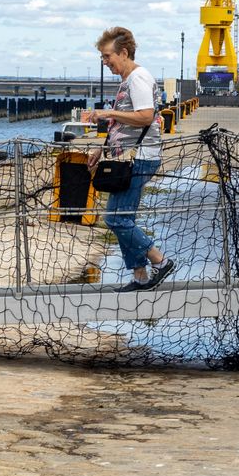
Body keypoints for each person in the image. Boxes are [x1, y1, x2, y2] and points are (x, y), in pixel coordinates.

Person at [82, 28, 175, 290]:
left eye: (107, 56)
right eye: (102, 57)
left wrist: (106, 112)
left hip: (139, 158)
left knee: (115, 219)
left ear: (123, 53)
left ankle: (159, 261)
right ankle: (140, 276)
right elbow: (123, 125)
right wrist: (103, 149)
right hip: (127, 157)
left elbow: (145, 116)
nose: (105, 61)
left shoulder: (137, 78)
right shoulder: (129, 79)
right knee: (124, 219)